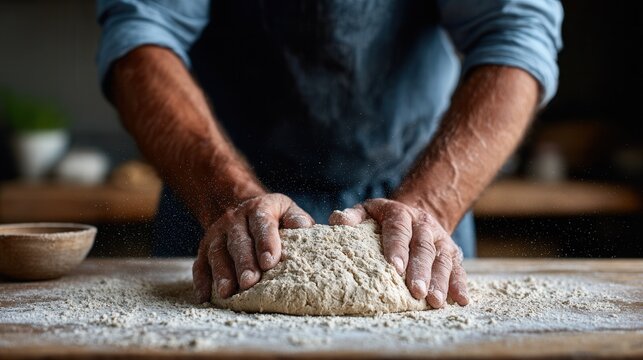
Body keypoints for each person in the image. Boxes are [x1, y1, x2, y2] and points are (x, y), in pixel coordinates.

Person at [97, 0, 563, 308]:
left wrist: (428, 208)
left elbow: (516, 30)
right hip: (216, 202)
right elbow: (141, 31)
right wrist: (226, 199)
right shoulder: (220, 203)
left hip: (417, 196)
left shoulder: (422, 210)